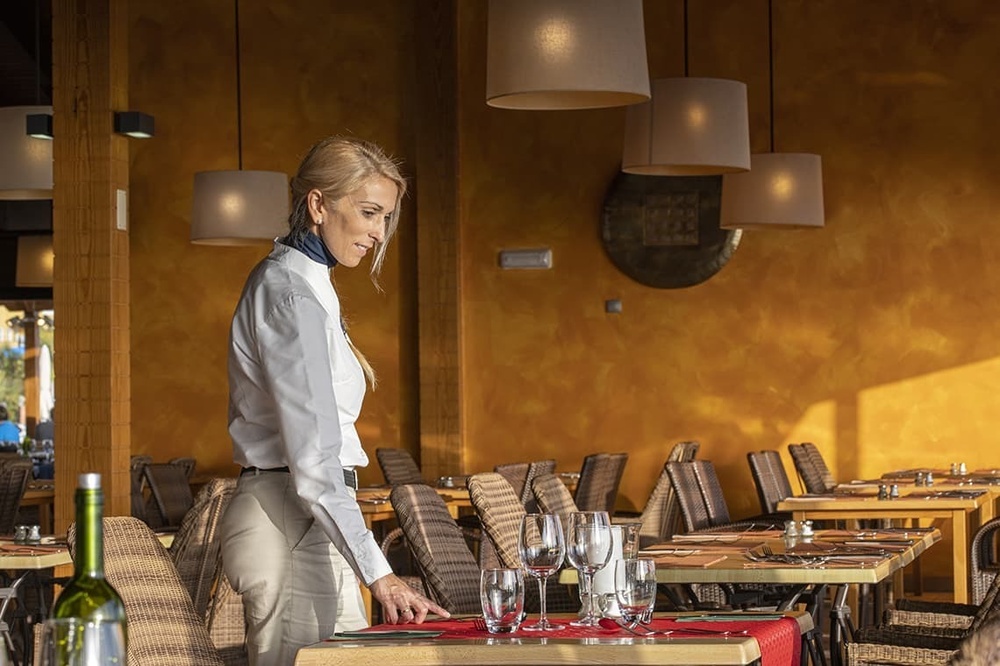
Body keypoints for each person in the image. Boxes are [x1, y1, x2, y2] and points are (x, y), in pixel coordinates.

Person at [220, 136, 448, 666]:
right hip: (290, 521)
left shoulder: (307, 283)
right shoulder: (291, 295)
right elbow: (315, 461)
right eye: (369, 212)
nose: (377, 231)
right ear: (318, 205)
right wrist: (381, 574)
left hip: (306, 519)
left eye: (385, 217)